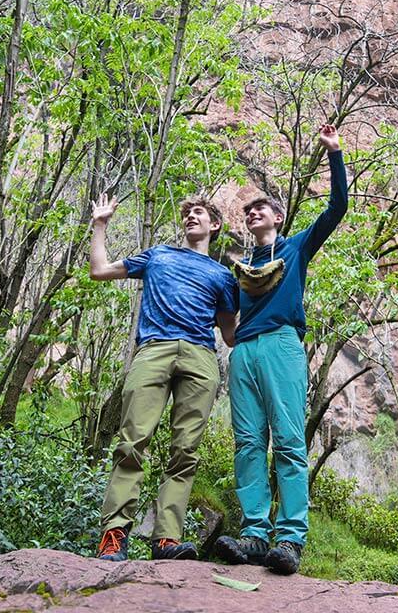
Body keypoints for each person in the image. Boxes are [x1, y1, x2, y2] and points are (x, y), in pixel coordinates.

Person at [215, 123, 347, 574]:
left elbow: (336, 209)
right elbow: (227, 314)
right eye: (248, 212)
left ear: (277, 217)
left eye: (261, 210)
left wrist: (334, 153)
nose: (253, 214)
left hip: (282, 346)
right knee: (248, 443)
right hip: (245, 353)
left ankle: (289, 539)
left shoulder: (295, 249)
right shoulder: (239, 266)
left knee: (289, 441)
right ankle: (254, 533)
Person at [90, 194, 238, 561]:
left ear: (214, 225)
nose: (190, 217)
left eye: (198, 212)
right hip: (153, 349)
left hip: (201, 357)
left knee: (185, 451)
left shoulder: (222, 275)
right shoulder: (157, 255)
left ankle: (167, 539)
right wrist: (100, 224)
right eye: (186, 213)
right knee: (132, 441)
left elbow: (232, 335)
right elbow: (99, 270)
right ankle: (114, 535)